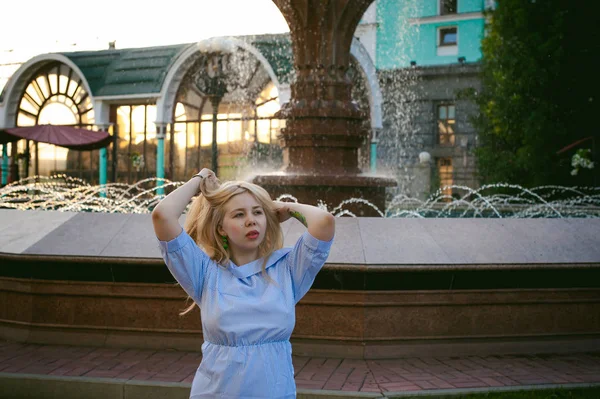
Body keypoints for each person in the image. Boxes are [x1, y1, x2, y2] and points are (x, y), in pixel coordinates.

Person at [152, 168, 335, 398]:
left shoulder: (288, 269)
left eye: (257, 213)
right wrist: (198, 181)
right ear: (221, 228)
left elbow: (324, 222)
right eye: (239, 215)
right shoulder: (205, 273)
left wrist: (281, 207)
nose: (251, 221)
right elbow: (162, 217)